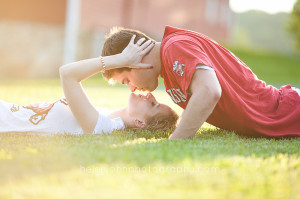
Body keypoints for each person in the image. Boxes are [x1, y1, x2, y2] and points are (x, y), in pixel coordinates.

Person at [101, 26, 300, 139]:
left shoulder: (174, 47)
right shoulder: (168, 66)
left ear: (136, 58)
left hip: (289, 111)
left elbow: (209, 91)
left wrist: (176, 140)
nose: (132, 88)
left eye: (126, 80)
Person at [0, 38, 178, 135]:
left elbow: (68, 74)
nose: (151, 96)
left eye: (154, 105)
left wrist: (120, 60)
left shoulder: (103, 127)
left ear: (139, 123)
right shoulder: (104, 113)